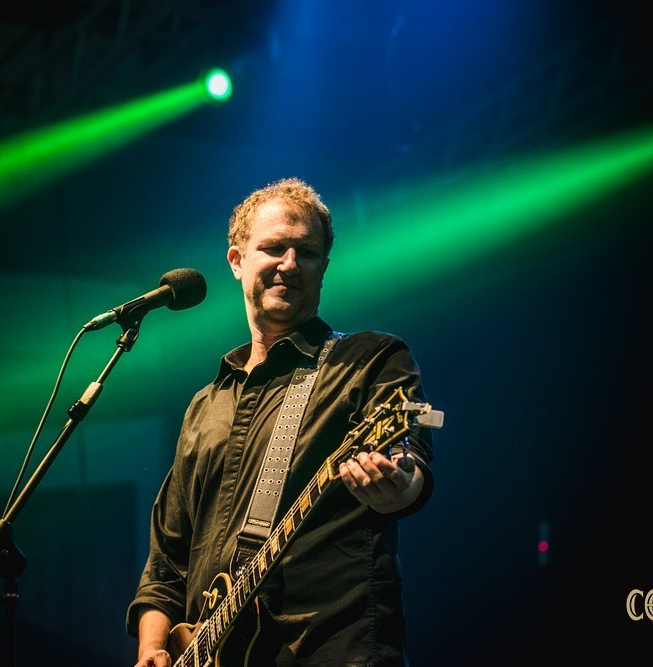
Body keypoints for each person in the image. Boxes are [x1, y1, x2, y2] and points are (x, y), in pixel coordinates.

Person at [126, 177, 434, 666]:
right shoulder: (206, 405)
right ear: (237, 261)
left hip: (331, 649)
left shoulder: (369, 360)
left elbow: (410, 466)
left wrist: (398, 487)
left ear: (323, 268)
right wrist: (151, 649)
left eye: (306, 253)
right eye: (274, 248)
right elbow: (167, 561)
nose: (290, 264)